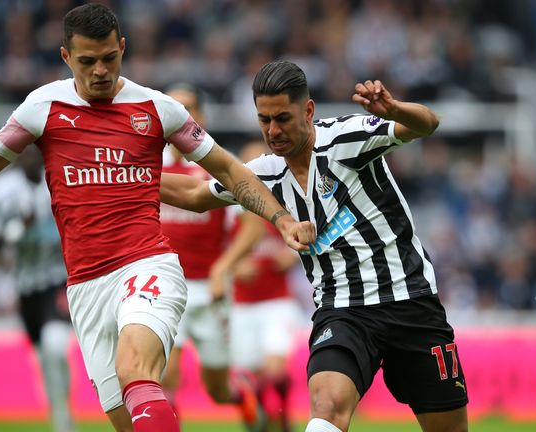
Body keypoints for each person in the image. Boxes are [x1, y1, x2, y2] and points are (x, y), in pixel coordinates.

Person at [0, 5, 315, 431]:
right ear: (65, 57)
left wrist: (280, 218)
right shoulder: (42, 108)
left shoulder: (158, 109)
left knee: (139, 368)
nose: (100, 71)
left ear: (123, 49)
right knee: (127, 418)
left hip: (148, 265)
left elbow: (227, 170)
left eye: (109, 58)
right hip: (86, 286)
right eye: (87, 61)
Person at [160, 60, 469, 432]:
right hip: (342, 310)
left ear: (308, 110)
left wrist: (395, 109)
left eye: (283, 118)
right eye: (264, 120)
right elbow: (195, 192)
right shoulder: (266, 172)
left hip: (409, 301)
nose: (273, 131)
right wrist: (125, 174)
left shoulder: (346, 140)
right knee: (326, 405)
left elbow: (428, 124)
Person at [158, 83, 266, 431]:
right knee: (166, 374)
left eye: (186, 108)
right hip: (162, 287)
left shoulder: (217, 166)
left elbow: (253, 225)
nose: (176, 115)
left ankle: (241, 394)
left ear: (199, 117)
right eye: (170, 108)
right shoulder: (146, 165)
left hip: (210, 289)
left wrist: (226, 265)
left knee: (217, 389)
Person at [0, 146, 75, 432]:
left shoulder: (60, 181)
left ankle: (64, 415)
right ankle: (58, 407)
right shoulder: (3, 191)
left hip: (59, 277)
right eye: (26, 152)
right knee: (43, 355)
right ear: (18, 156)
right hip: (24, 283)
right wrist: (17, 228)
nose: (32, 158)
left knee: (56, 345)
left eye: (37, 151)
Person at [207, 139, 305, 432]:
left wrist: (292, 255)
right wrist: (235, 265)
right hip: (240, 305)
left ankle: (282, 419)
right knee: (252, 377)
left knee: (275, 372)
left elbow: (307, 236)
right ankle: (263, 422)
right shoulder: (228, 206)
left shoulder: (285, 202)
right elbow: (212, 248)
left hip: (277, 300)